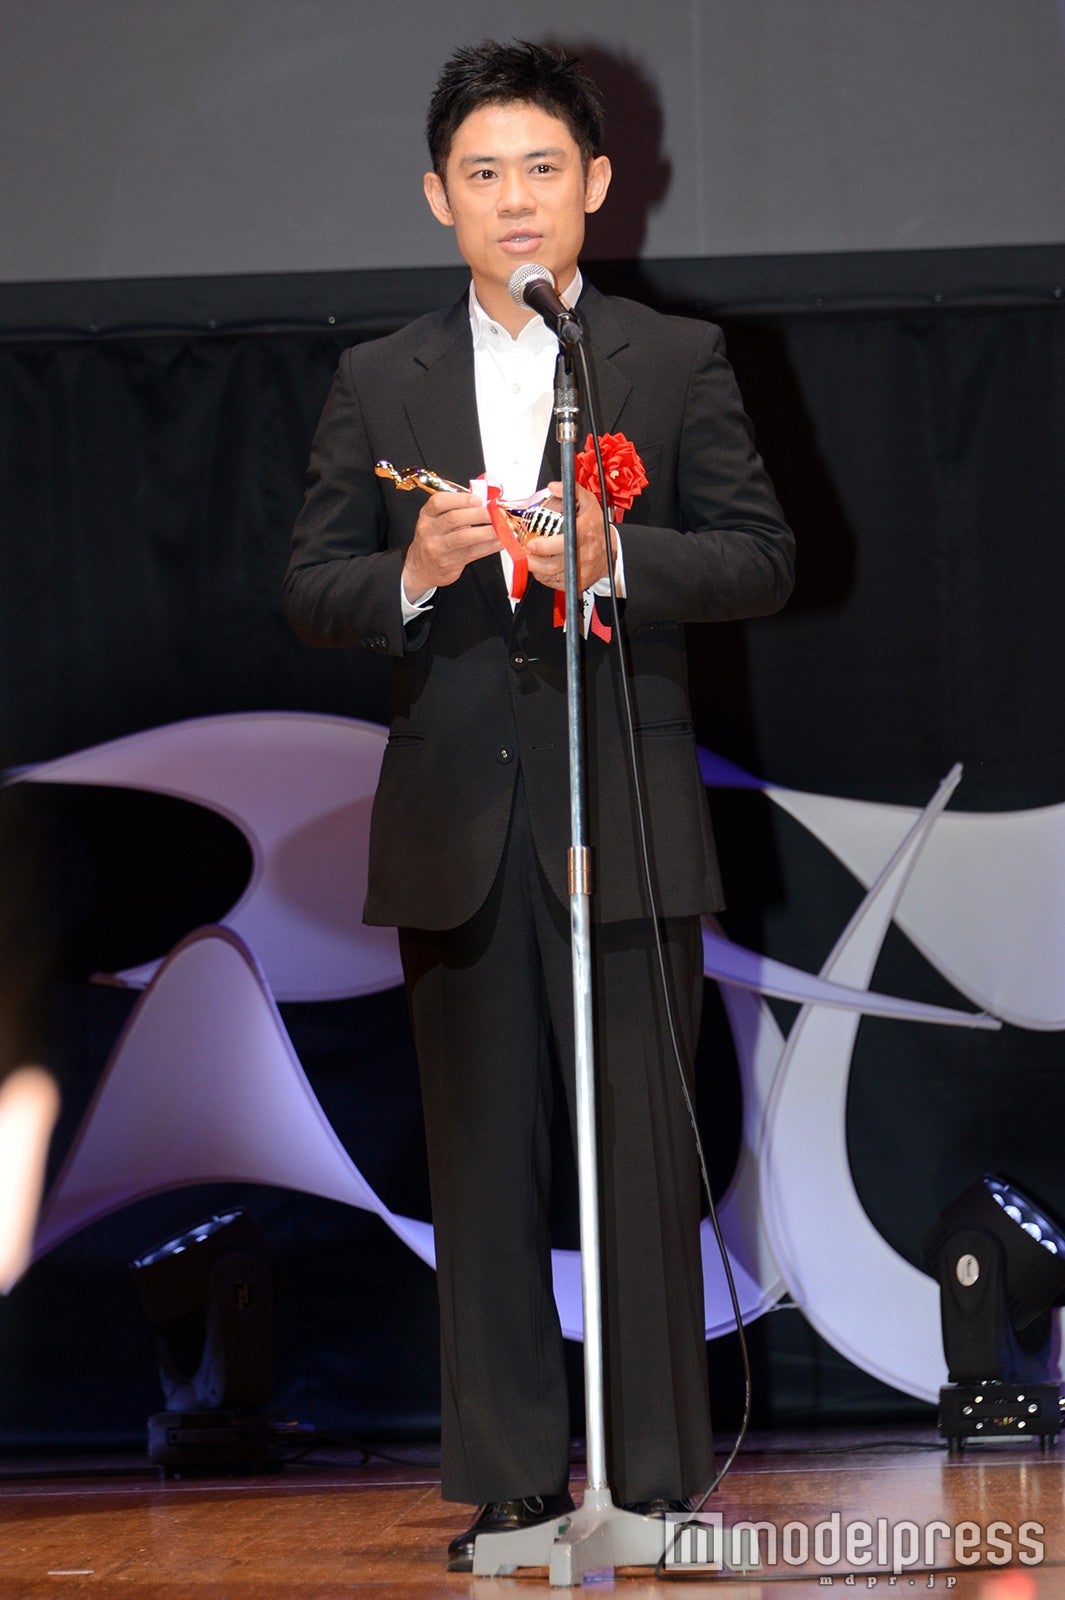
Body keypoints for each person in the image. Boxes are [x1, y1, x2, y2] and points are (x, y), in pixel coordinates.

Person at [284, 39, 794, 1572]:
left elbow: (762, 556)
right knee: (482, 1163)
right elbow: (311, 586)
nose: (515, 198)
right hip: (457, 826)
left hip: (623, 810)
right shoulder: (380, 377)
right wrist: (414, 570)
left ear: (597, 185)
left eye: (542, 169)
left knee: (640, 1157)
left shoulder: (669, 358)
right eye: (483, 173)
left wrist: (615, 558)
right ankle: (510, 1487)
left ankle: (655, 1485)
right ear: (436, 196)